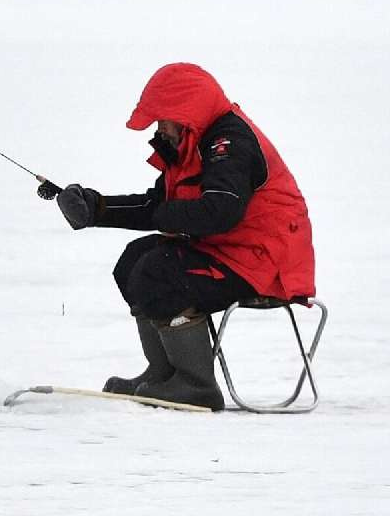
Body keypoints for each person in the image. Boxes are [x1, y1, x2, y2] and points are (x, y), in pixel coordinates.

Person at [55, 63, 315, 411]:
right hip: (230, 250)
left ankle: (196, 385)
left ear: (185, 112)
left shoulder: (229, 143)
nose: (160, 129)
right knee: (134, 261)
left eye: (163, 119)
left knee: (159, 270)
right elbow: (158, 204)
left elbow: (221, 211)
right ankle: (163, 373)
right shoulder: (193, 142)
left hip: (265, 264)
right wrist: (96, 208)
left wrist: (162, 216)